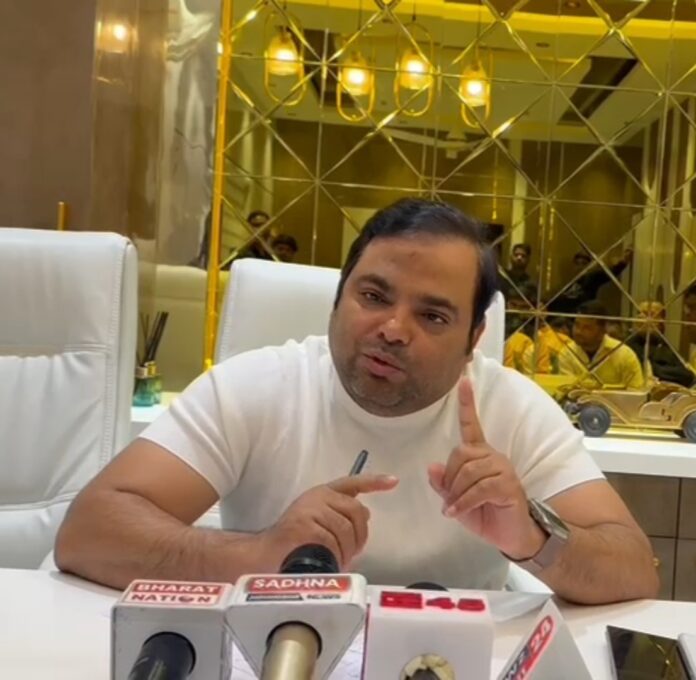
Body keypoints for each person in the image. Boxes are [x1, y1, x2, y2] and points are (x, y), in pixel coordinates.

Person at [55, 199, 657, 603]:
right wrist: (261, 553)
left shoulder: (512, 409)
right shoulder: (257, 386)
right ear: (338, 297)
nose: (393, 329)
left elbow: (634, 568)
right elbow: (89, 532)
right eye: (373, 296)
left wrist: (533, 536)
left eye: (432, 315)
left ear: (474, 338)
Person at [558, 301, 644, 389]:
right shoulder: (567, 353)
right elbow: (565, 390)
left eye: (587, 328)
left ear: (603, 330)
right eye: (577, 325)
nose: (578, 331)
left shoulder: (624, 355)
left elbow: (636, 390)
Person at [626, 301, 695, 388]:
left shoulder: (665, 345)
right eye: (639, 313)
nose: (641, 317)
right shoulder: (628, 346)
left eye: (650, 314)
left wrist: (655, 369)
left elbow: (687, 376)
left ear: (661, 321)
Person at [549, 249, 633, 314]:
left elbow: (610, 273)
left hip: (584, 319)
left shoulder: (591, 279)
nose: (580, 266)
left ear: (588, 266)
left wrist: (624, 261)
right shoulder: (566, 282)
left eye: (584, 263)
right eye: (577, 263)